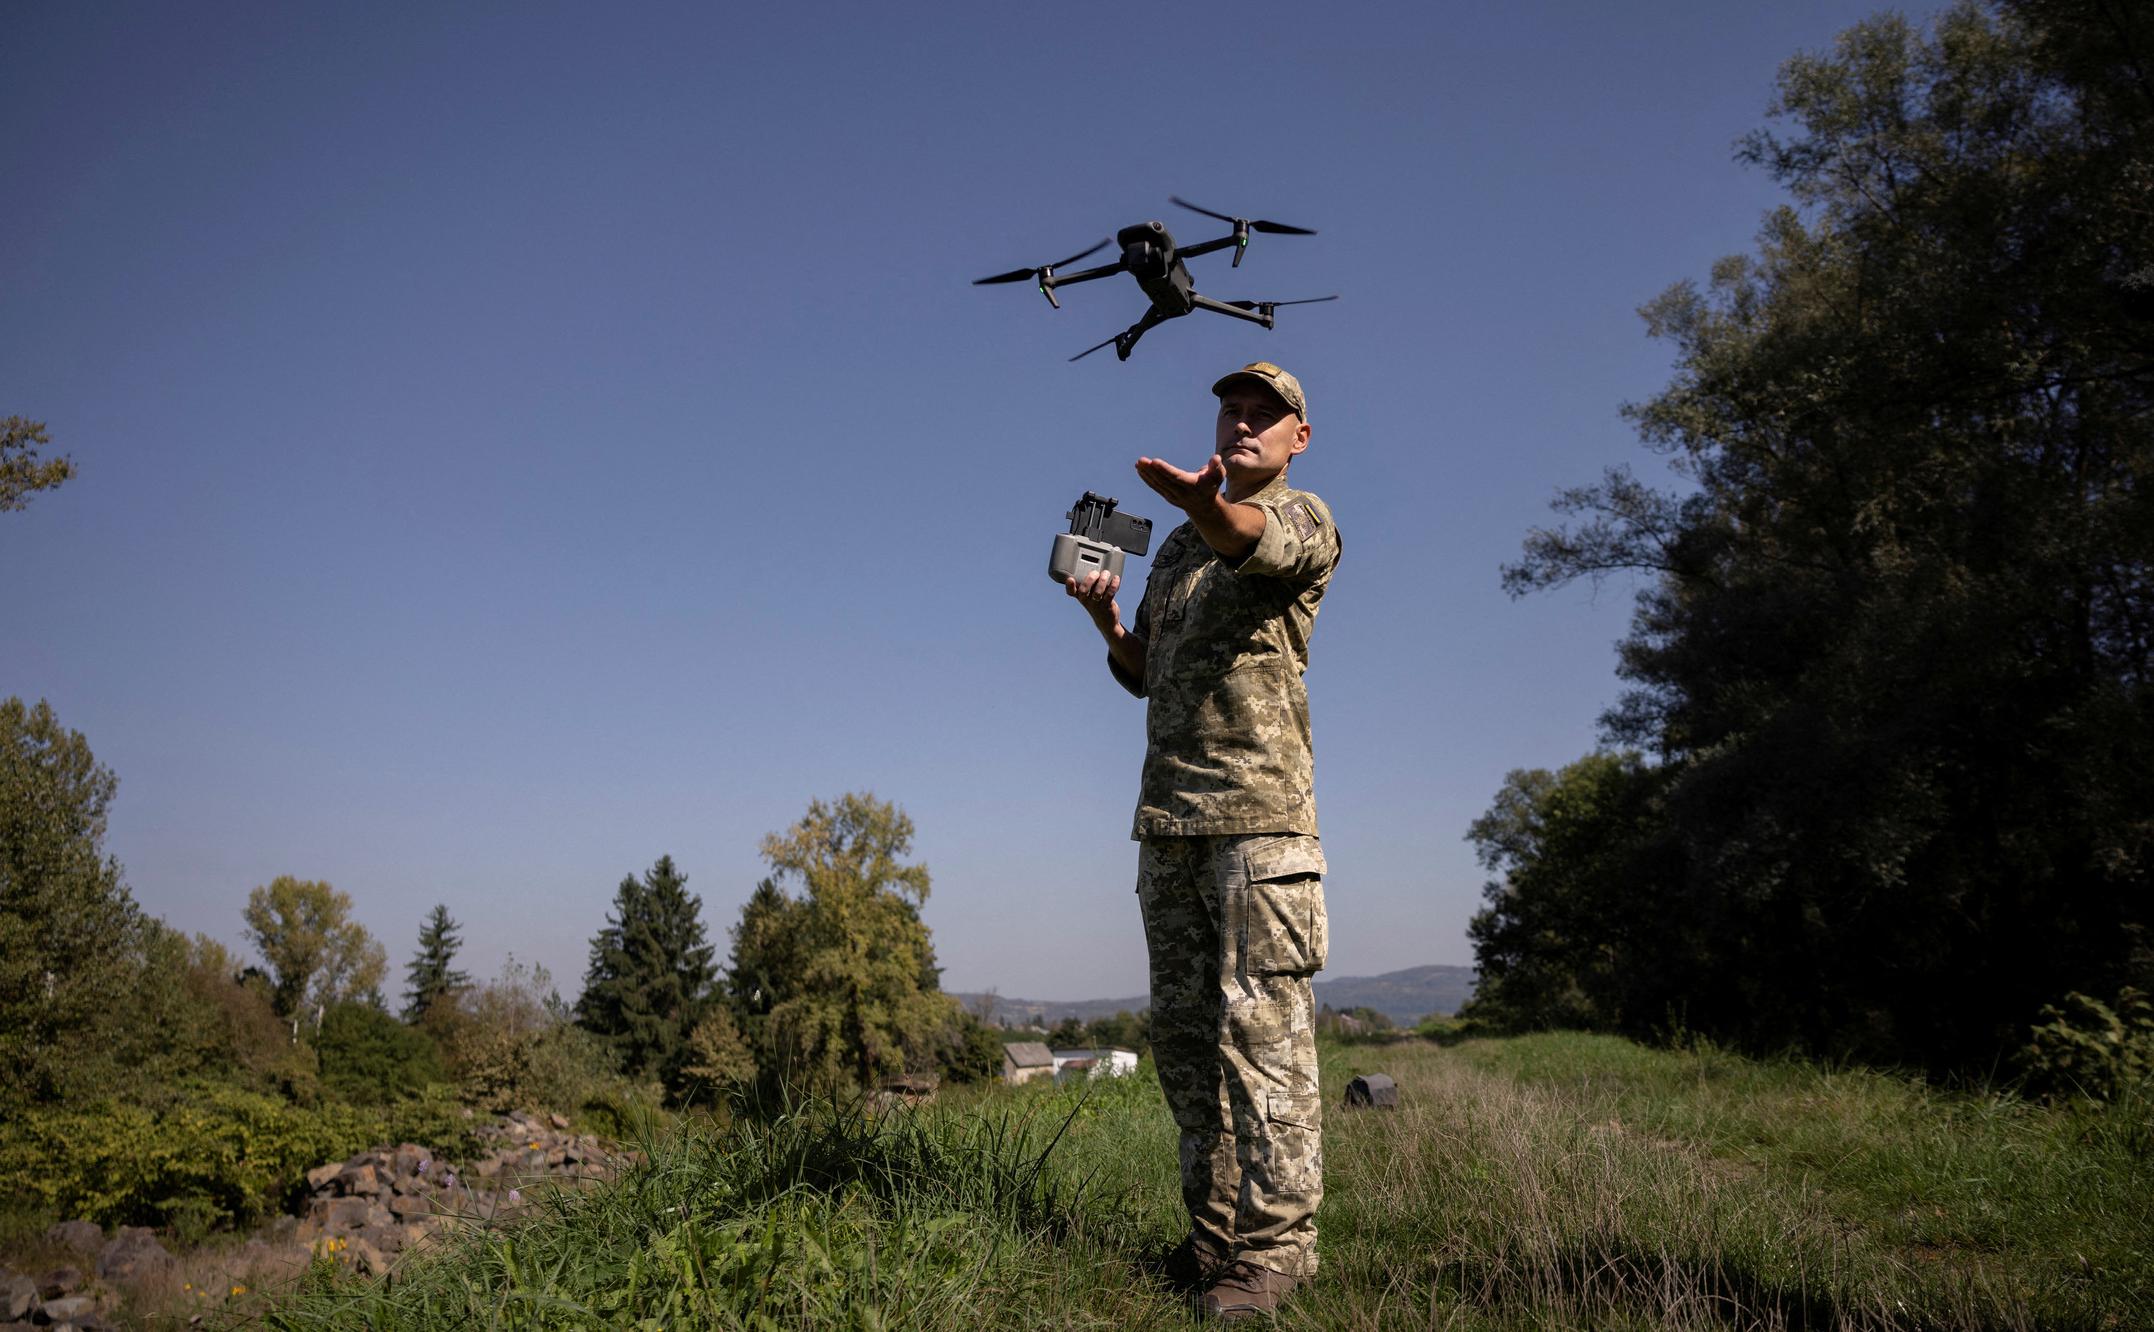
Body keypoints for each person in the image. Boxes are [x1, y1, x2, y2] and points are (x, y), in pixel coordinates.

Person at [1064, 361, 1341, 1320]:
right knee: (1188, 1050)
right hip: (1169, 823)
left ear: (1297, 437)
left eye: (1266, 415)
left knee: (1265, 1047)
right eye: (1232, 409)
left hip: (1261, 825)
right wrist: (1106, 618)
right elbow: (1146, 674)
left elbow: (1249, 537)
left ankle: (1273, 1256)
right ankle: (1215, 1242)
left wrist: (1206, 504)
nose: (1243, 424)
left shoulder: (1304, 518)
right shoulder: (1179, 548)